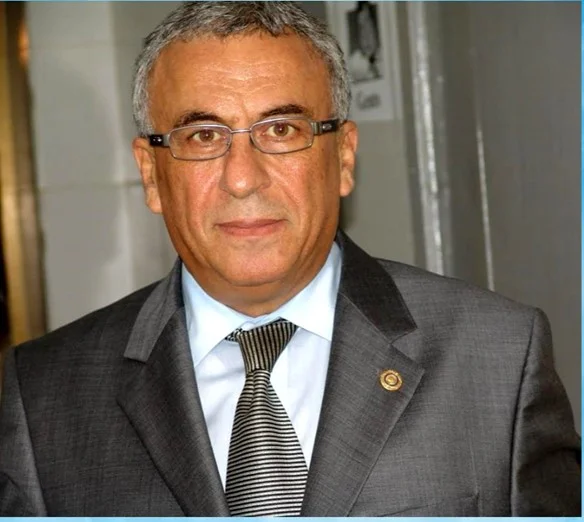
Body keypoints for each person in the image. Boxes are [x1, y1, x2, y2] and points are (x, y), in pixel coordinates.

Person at [0, 1, 579, 516]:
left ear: (344, 157)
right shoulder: (42, 397)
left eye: (280, 129)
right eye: (204, 136)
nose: (242, 178)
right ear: (151, 174)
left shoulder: (499, 359)